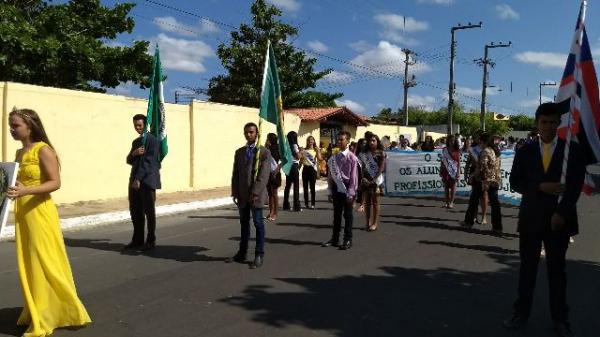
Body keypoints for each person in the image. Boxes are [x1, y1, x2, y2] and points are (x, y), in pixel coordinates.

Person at [503, 103, 586, 337]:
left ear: (559, 123)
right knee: (527, 269)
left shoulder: (572, 151)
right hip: (531, 218)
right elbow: (515, 183)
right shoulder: (525, 150)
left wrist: (562, 213)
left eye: (552, 122)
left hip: (559, 219)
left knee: (557, 271)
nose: (548, 126)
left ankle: (560, 318)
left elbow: (575, 186)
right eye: (543, 122)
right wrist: (540, 186)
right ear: (536, 123)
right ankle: (521, 313)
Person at [7, 108, 91, 336]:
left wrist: (27, 190)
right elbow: (16, 183)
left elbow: (55, 183)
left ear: (30, 126)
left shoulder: (43, 150)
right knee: (29, 262)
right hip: (23, 213)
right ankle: (37, 309)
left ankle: (56, 311)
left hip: (40, 212)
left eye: (16, 125)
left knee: (45, 261)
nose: (12, 129)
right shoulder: (18, 152)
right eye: (10, 125)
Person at [229, 122, 272, 269]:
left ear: (257, 133)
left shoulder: (264, 153)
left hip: (256, 196)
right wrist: (235, 191)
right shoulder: (239, 152)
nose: (249, 134)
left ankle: (259, 254)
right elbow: (236, 174)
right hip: (242, 195)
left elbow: (263, 175)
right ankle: (242, 252)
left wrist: (255, 192)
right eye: (246, 132)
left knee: (258, 224)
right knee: (244, 224)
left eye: (251, 132)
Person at [125, 114, 161, 251]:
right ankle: (137, 239)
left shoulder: (153, 140)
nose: (137, 128)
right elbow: (128, 160)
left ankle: (151, 240)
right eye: (135, 126)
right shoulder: (136, 142)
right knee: (135, 211)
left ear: (145, 125)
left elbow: (148, 162)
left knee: (149, 211)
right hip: (134, 180)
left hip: (147, 180)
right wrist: (134, 153)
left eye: (139, 125)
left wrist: (139, 179)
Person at [322, 131, 359, 250]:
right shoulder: (334, 157)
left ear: (347, 141)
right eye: (338, 139)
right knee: (336, 215)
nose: (339, 141)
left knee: (348, 216)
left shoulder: (352, 158)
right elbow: (330, 176)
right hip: (336, 189)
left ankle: (347, 239)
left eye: (342, 139)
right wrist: (329, 191)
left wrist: (351, 193)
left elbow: (354, 177)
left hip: (347, 189)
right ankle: (335, 238)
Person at [359, 134, 386, 231]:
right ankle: (367, 222)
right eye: (370, 141)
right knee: (367, 202)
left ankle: (375, 223)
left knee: (375, 202)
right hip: (366, 179)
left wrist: (373, 180)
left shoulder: (381, 153)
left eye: (374, 140)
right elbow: (362, 167)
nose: (371, 142)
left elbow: (381, 169)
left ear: (377, 141)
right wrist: (363, 178)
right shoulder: (364, 153)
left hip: (376, 180)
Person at [462, 133, 487, 227]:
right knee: (474, 195)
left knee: (484, 195)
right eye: (474, 137)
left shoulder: (487, 149)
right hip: (474, 172)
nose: (475, 139)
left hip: (484, 173)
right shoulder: (473, 149)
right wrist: (465, 174)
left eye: (477, 137)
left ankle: (484, 217)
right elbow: (468, 163)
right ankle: (474, 216)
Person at [479, 135, 503, 232]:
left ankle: (493, 224)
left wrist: (484, 177)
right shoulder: (497, 151)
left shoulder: (486, 151)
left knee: (485, 199)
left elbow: (483, 165)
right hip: (496, 179)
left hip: (488, 179)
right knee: (495, 204)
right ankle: (497, 226)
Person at [301, 135, 322, 209]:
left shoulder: (315, 150)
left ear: (314, 141)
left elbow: (320, 159)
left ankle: (313, 203)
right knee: (305, 187)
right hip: (305, 169)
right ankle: (306, 203)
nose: (311, 141)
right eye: (309, 140)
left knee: (312, 187)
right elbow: (301, 160)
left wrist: (318, 151)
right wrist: (298, 167)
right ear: (307, 141)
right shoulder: (304, 150)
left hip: (312, 169)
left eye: (312, 140)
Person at [440, 134, 461, 209]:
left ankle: (451, 202)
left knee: (453, 187)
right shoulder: (444, 149)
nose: (451, 142)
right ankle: (446, 202)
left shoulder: (457, 150)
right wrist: (440, 169)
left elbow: (458, 162)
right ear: (448, 141)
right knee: (446, 187)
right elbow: (442, 160)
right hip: (445, 169)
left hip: (454, 170)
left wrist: (458, 172)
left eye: (453, 141)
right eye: (450, 141)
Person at [283, 131, 301, 211]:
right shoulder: (294, 145)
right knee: (296, 186)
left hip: (288, 165)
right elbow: (298, 157)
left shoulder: (286, 146)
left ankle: (285, 204)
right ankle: (296, 206)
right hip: (294, 166)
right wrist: (301, 152)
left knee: (287, 186)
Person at [265, 133, 281, 221]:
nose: (267, 140)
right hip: (267, 173)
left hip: (275, 173)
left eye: (268, 139)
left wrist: (277, 169)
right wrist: (266, 146)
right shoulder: (267, 148)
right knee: (270, 193)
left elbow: (284, 160)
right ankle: (270, 211)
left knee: (274, 193)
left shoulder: (278, 149)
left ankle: (275, 213)